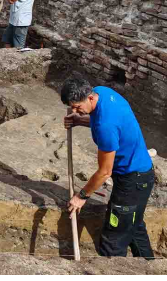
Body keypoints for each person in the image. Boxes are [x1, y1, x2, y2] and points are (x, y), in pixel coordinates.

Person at [60, 74, 155, 259]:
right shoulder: (102, 92)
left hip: (132, 180)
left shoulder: (105, 126)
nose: (75, 110)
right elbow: (107, 122)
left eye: (77, 107)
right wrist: (79, 120)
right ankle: (149, 266)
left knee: (113, 238)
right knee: (133, 226)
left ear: (89, 97)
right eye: (72, 107)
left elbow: (104, 172)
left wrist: (81, 196)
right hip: (141, 173)